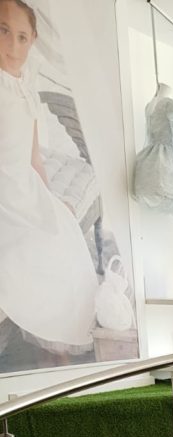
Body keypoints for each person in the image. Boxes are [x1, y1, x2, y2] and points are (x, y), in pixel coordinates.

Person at [0, 0, 97, 371]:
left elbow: (34, 157)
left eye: (22, 37)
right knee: (25, 252)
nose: (12, 45)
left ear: (32, 41)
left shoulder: (25, 87)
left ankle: (54, 354)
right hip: (4, 194)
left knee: (62, 235)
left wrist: (49, 201)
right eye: (3, 31)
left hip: (23, 186)